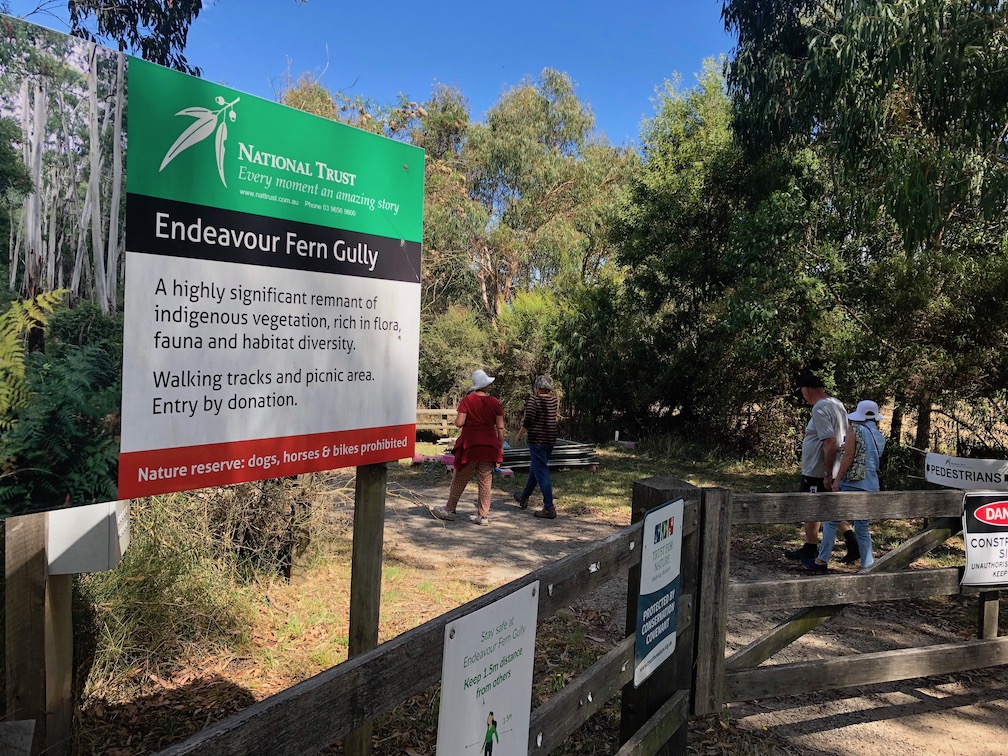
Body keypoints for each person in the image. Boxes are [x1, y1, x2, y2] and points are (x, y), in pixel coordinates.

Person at [802, 400, 887, 573]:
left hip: (853, 483)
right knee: (862, 527)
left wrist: (836, 479)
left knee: (831, 520)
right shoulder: (878, 435)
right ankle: (867, 565)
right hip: (871, 484)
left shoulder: (854, 429)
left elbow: (848, 457)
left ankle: (821, 560)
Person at [784, 370, 859, 562]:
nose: (802, 395)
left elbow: (830, 441)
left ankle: (810, 549)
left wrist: (827, 472)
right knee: (828, 507)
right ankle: (852, 541)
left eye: (802, 391)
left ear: (807, 389)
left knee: (810, 508)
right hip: (832, 466)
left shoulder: (819, 408)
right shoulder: (837, 403)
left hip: (818, 469)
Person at [432, 369, 505, 526]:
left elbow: (459, 423)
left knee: (460, 478)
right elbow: (500, 427)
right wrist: (500, 446)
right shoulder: (494, 402)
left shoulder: (467, 400)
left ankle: (450, 509)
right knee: (485, 482)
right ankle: (483, 516)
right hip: (489, 447)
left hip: (470, 446)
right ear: (486, 385)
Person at [513, 374, 559, 519]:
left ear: (537, 387)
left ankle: (549, 507)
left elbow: (528, 421)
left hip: (537, 440)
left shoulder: (534, 400)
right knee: (536, 468)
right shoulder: (554, 400)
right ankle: (524, 497)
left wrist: (519, 435)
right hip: (550, 440)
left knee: (542, 472)